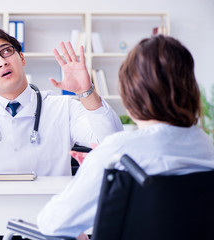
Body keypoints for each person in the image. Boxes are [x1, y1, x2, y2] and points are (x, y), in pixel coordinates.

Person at [37, 35, 214, 238]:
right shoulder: (206, 147)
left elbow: (52, 223)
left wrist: (96, 164)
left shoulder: (118, 154)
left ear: (131, 92)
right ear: (191, 88)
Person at [0, 26, 122, 177]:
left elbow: (111, 142)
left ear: (21, 58)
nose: (2, 62)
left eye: (6, 52)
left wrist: (86, 92)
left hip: (47, 216)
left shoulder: (63, 107)